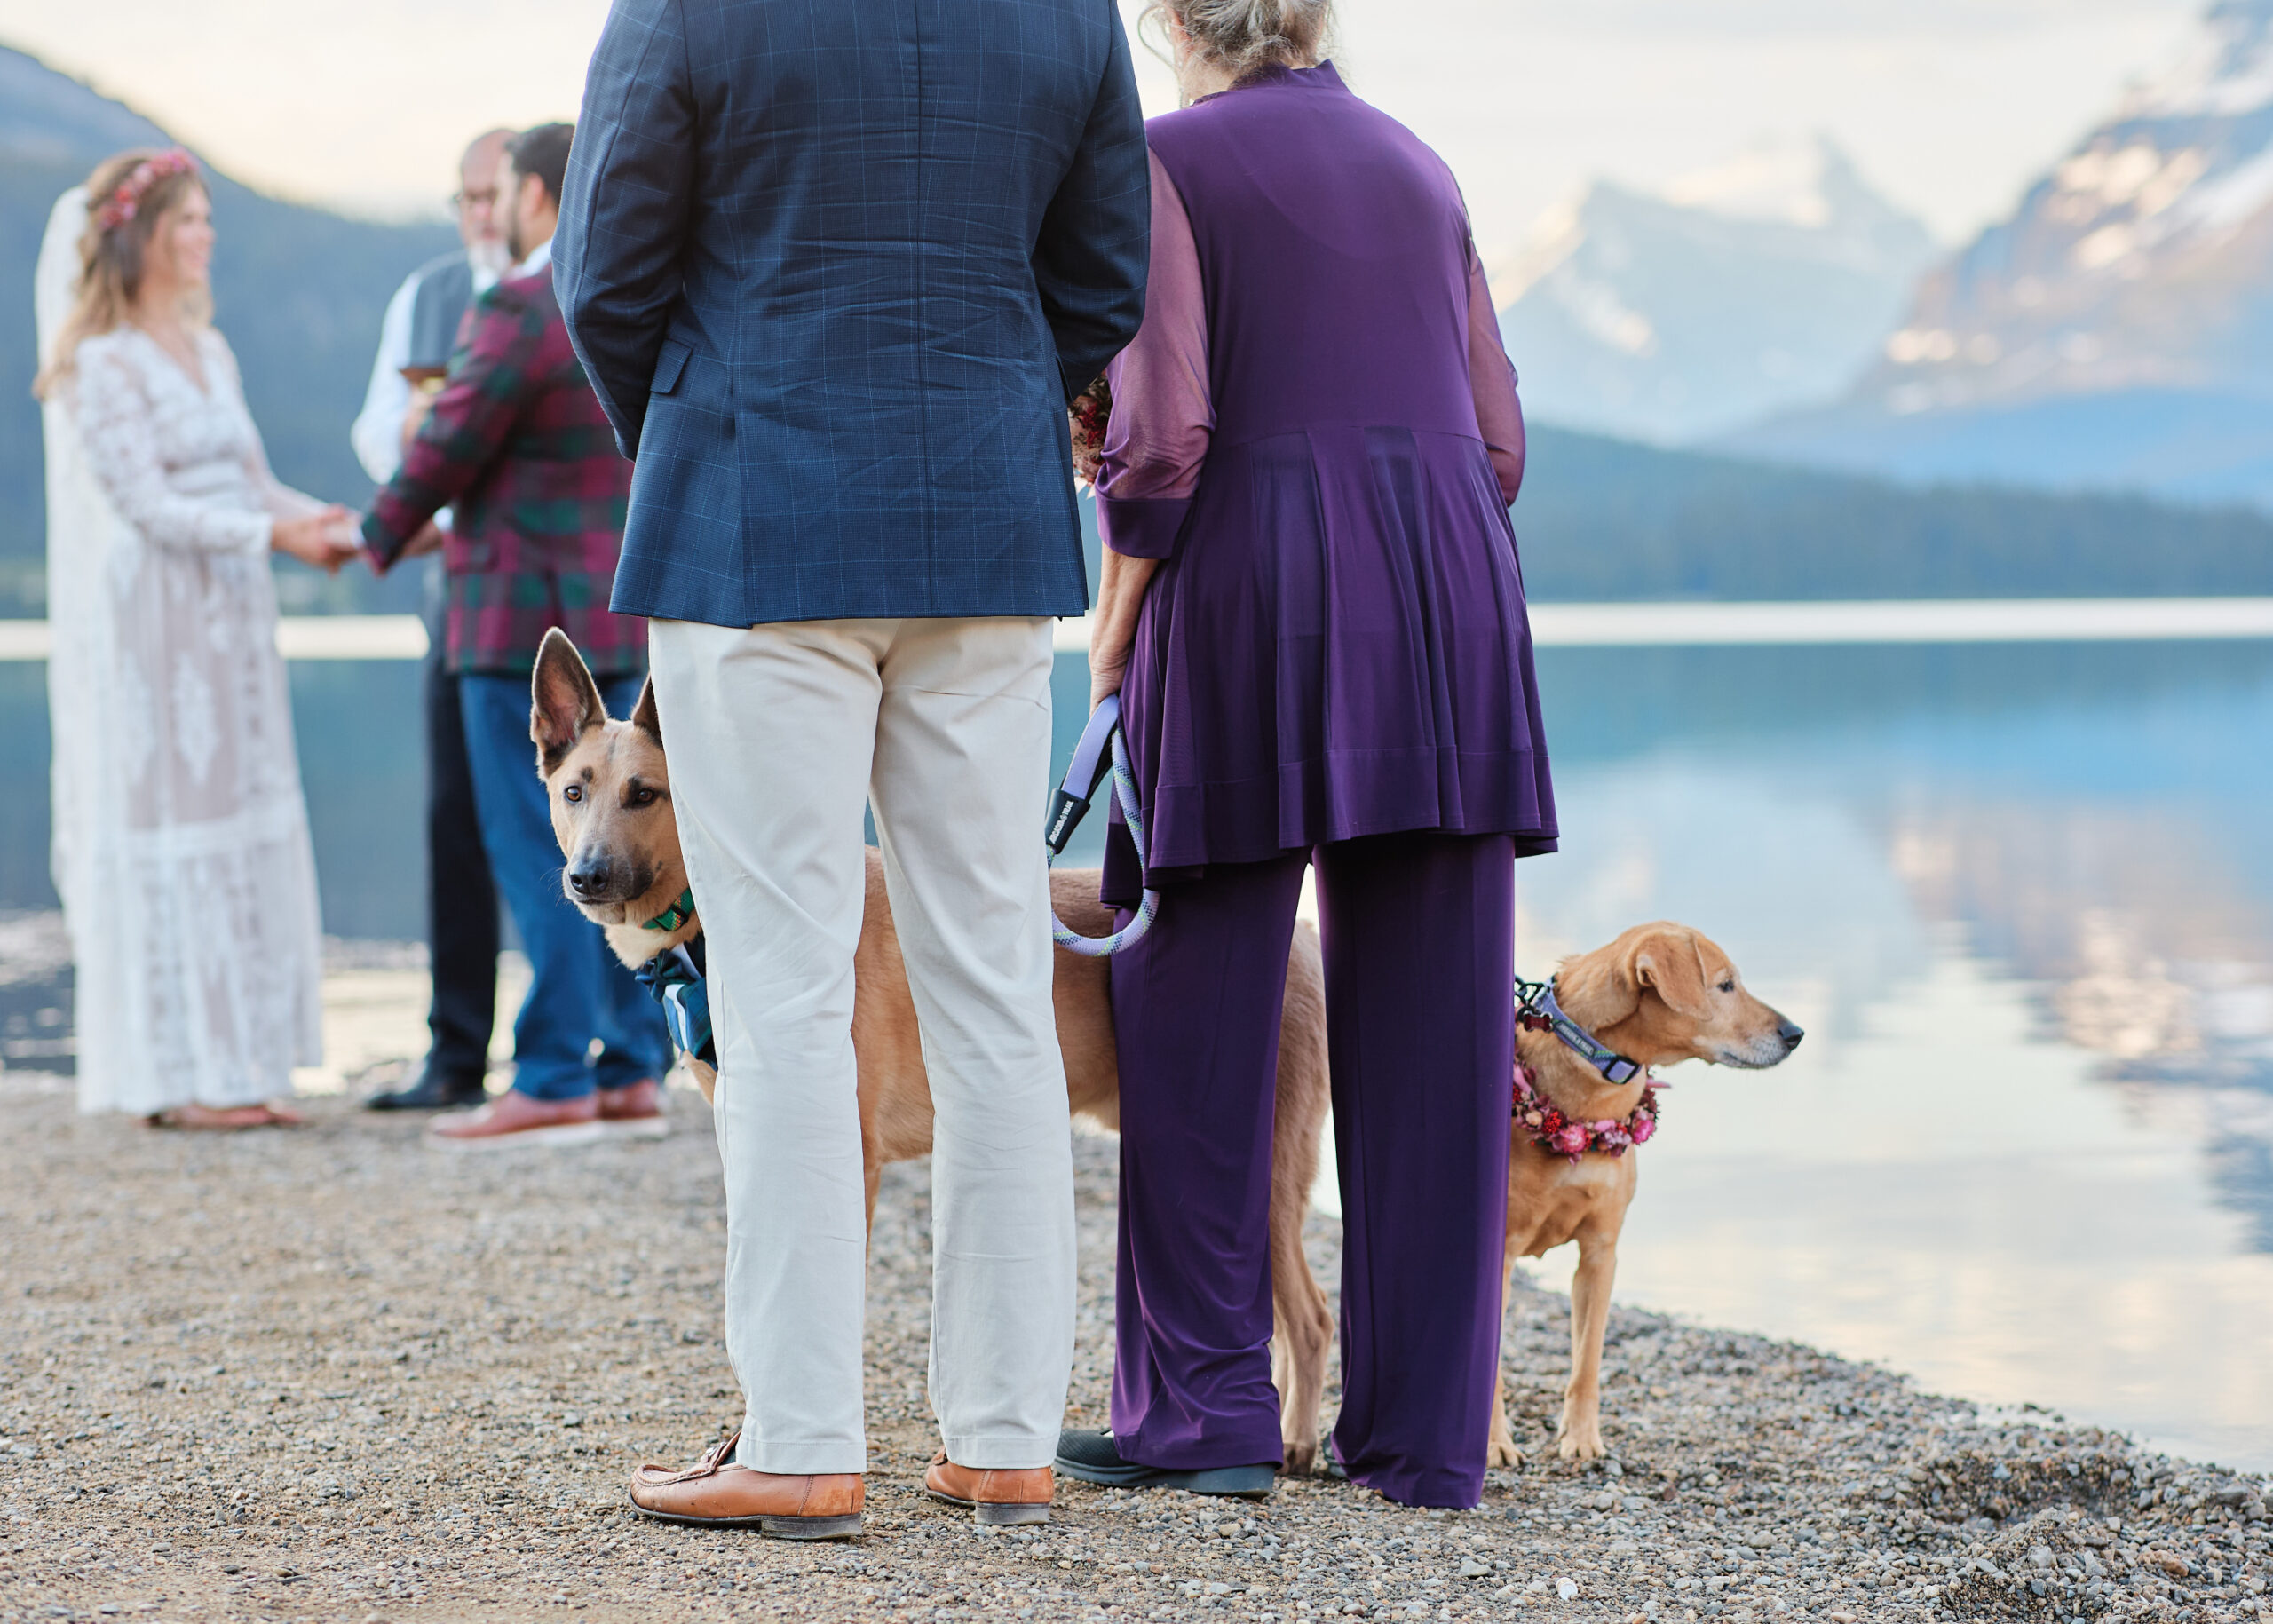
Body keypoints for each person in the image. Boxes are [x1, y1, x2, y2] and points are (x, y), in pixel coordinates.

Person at [555, 0, 1149, 1535]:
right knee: (996, 975)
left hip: (756, 525)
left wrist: (699, 425)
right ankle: (1007, 1428)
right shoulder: (1066, 14)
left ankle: (807, 1435)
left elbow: (603, 272)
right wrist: (988, 411)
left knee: (782, 988)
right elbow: (1100, 282)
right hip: (988, 523)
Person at [1055, 0, 1557, 1511]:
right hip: (1450, 589)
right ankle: (1421, 1439)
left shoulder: (1166, 160)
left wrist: (1117, 607)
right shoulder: (1420, 166)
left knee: (1196, 997)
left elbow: (1165, 432)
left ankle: (1204, 1411)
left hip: (1251, 587)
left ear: (1167, 26)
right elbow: (1501, 440)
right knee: (1439, 1030)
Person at [32, 149, 362, 1129]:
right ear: (139, 236)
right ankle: (176, 1074)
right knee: (179, 819)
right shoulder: (99, 362)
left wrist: (343, 527)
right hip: (160, 622)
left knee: (250, 812)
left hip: (234, 619)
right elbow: (144, 504)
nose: (206, 236)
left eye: (208, 219)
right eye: (189, 220)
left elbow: (252, 484)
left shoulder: (209, 352)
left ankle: (248, 1061)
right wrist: (273, 535)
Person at [358, 123, 670, 1148]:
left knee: (550, 847)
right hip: (617, 600)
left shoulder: (522, 303)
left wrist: (369, 536)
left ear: (537, 195)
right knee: (626, 837)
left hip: (512, 626)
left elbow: (447, 445)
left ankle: (546, 1070)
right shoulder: (635, 299)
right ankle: (630, 1065)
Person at [352, 127, 514, 1114]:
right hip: (458, 589)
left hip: (581, 590)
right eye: (466, 198)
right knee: (455, 821)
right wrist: (421, 440)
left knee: (603, 827)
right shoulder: (427, 294)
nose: (479, 215)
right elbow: (379, 429)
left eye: (492, 195)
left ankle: (602, 1053)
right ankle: (456, 1052)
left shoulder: (582, 283)